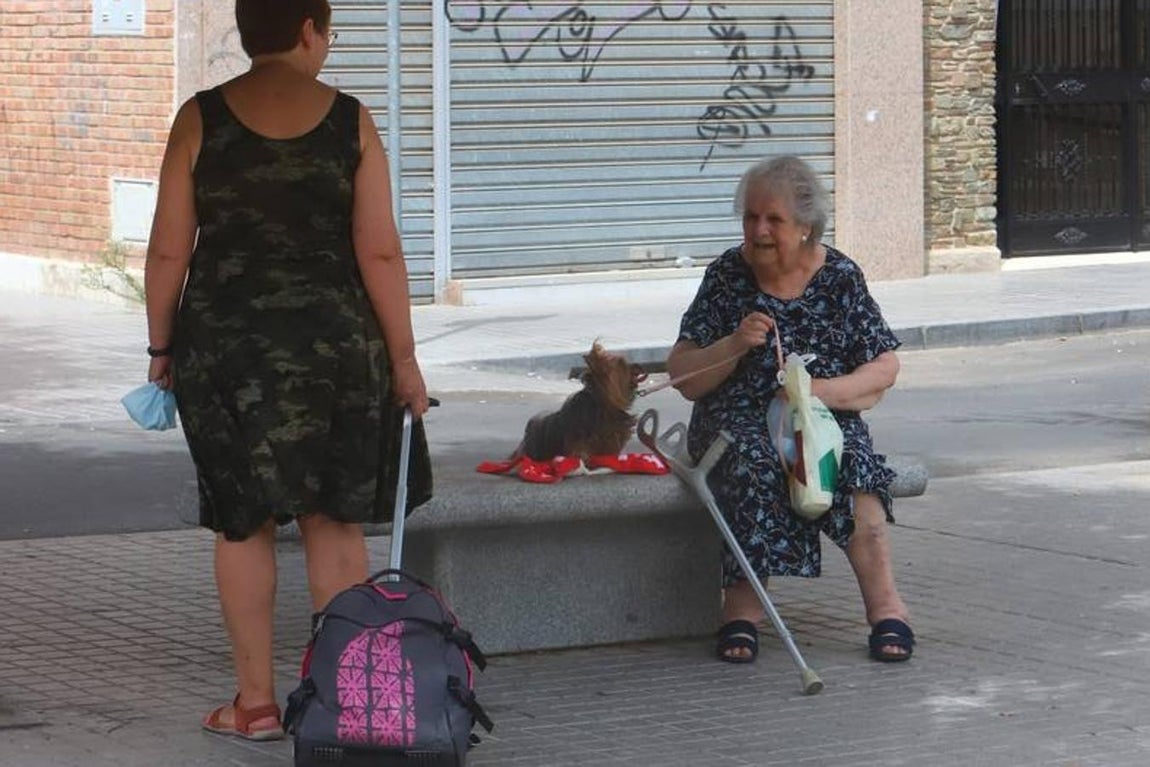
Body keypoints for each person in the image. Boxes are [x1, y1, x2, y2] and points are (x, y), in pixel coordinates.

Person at [143, 0, 432, 740]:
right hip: (338, 350)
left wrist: (161, 349)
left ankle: (256, 704)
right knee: (332, 520)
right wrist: (404, 360)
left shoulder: (200, 118)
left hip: (227, 352)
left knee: (242, 522)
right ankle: (339, 702)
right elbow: (381, 253)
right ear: (310, 30)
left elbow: (170, 251)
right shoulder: (351, 122)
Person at [666, 156, 914, 665]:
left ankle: (887, 608)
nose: (758, 230)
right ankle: (741, 610)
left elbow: (883, 368)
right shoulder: (726, 275)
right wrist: (733, 344)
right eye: (751, 217)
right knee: (756, 462)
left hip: (821, 414)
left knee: (855, 468)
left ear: (805, 228)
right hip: (735, 420)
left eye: (773, 220)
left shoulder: (840, 276)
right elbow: (683, 374)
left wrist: (818, 392)